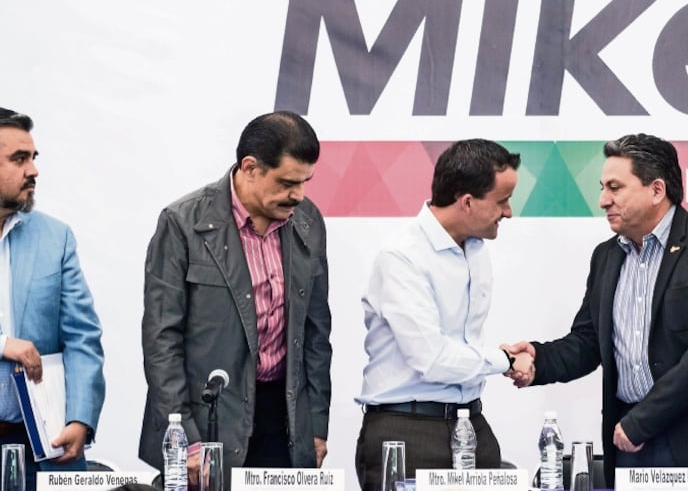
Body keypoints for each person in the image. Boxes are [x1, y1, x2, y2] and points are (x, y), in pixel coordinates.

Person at [506, 133, 688, 488]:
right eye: (603, 187)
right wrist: (537, 360)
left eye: (615, 187)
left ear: (656, 190)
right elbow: (589, 342)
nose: (603, 200)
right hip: (631, 440)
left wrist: (643, 421)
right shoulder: (607, 256)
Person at [139, 111, 332, 484]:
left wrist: (317, 424)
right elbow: (161, 341)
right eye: (288, 182)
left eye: (306, 182)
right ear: (250, 167)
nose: (299, 195)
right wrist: (186, 443)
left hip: (286, 421)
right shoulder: (182, 222)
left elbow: (316, 333)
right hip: (206, 422)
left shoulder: (308, 221)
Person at [354, 139, 531, 491]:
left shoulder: (477, 248)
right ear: (466, 202)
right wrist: (506, 359)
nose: (509, 212)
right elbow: (431, 358)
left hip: (471, 423)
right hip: (407, 429)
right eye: (502, 201)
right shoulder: (402, 257)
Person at [0, 108, 105, 491]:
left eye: (33, 158)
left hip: (38, 450)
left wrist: (80, 418)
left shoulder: (55, 238)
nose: (34, 170)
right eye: (19, 159)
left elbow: (82, 337)